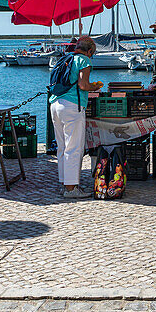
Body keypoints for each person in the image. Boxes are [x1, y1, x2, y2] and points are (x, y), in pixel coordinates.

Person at [49, 35, 102, 199]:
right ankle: (72, 189)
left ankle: (64, 184)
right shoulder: (84, 61)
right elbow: (83, 85)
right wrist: (95, 86)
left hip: (55, 104)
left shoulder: (66, 58)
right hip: (72, 106)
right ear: (90, 50)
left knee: (62, 147)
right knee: (74, 147)